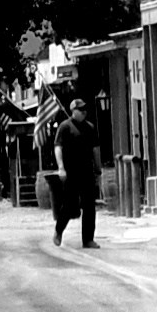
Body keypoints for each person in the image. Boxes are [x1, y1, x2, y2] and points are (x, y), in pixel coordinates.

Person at [49, 90, 105, 247]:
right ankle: (59, 231)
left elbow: (95, 149)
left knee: (89, 206)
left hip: (86, 171)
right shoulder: (65, 127)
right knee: (69, 205)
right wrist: (61, 168)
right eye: (81, 110)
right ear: (73, 111)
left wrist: (98, 169)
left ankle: (88, 239)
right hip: (71, 172)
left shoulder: (90, 127)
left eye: (85, 110)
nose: (84, 112)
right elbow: (58, 147)